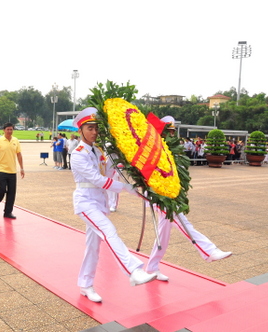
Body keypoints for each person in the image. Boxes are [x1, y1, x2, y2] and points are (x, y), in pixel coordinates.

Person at [71, 108, 157, 303]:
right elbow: (98, 180)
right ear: (81, 130)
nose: (94, 132)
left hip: (99, 203)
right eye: (90, 128)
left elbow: (110, 170)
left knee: (93, 247)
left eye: (96, 128)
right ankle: (133, 270)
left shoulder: (99, 150)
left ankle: (86, 284)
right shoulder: (77, 154)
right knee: (109, 231)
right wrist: (126, 188)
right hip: (86, 202)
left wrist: (124, 156)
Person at [145, 116, 232, 281]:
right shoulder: (154, 150)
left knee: (163, 234)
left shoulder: (170, 150)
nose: (172, 135)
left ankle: (152, 267)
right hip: (160, 196)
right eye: (169, 132)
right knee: (182, 221)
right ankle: (209, 251)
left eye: (173, 131)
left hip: (171, 194)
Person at [0, 122, 25, 219]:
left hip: (12, 171)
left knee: (11, 192)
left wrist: (21, 168)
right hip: (1, 169)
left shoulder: (15, 141)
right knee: (2, 190)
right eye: (8, 129)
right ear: (4, 130)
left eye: (11, 129)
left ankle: (8, 212)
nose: (9, 131)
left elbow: (19, 154)